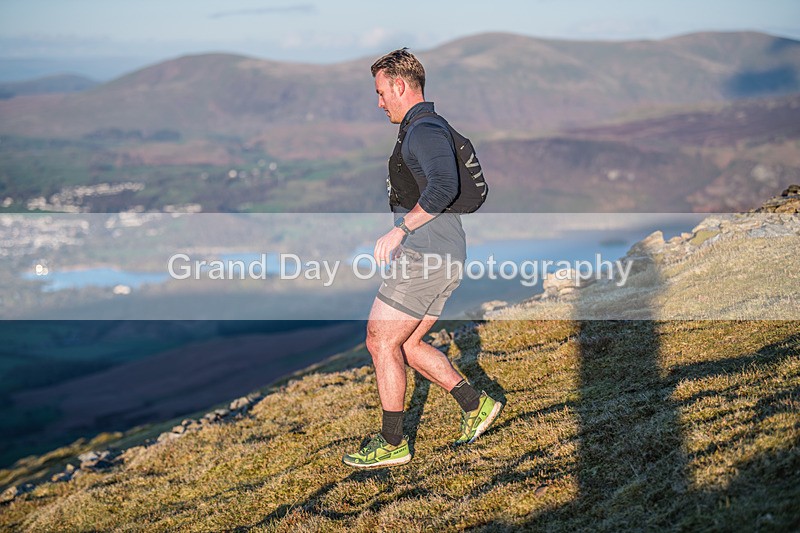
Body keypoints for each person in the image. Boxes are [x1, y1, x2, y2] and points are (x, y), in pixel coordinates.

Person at [342, 48, 503, 469]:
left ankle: (392, 442)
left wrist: (401, 230)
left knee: (380, 340)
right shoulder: (424, 127)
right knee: (407, 343)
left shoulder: (425, 130)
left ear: (399, 85)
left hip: (427, 254)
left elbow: (444, 185)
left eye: (380, 92)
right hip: (442, 252)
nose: (379, 103)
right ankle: (476, 405)